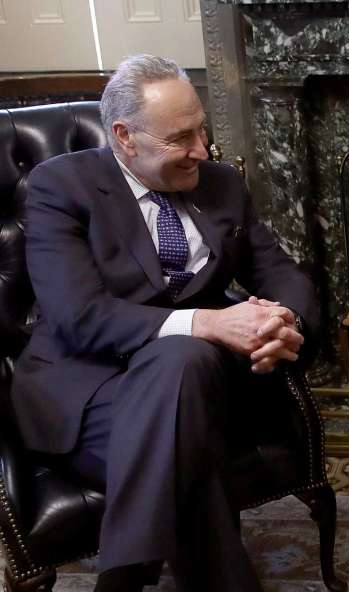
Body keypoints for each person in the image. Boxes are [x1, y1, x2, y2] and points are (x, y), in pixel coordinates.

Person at [11, 55, 320, 592]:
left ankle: (122, 579)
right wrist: (205, 322)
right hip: (90, 393)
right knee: (186, 393)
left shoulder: (220, 184)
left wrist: (283, 320)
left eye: (203, 130)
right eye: (182, 138)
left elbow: (281, 273)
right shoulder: (62, 187)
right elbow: (78, 316)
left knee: (184, 362)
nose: (202, 149)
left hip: (204, 386)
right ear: (125, 136)